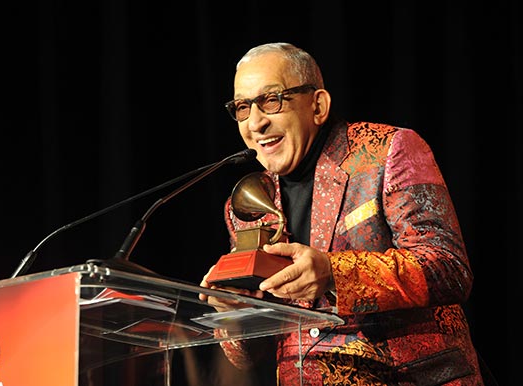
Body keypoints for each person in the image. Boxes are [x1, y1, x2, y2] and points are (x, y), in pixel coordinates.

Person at [199, 42, 485, 386]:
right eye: (243, 107)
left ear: (317, 105)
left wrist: (334, 272)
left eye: (271, 100)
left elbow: (448, 267)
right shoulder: (245, 204)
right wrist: (234, 318)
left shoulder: (387, 151)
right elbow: (256, 350)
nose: (255, 122)